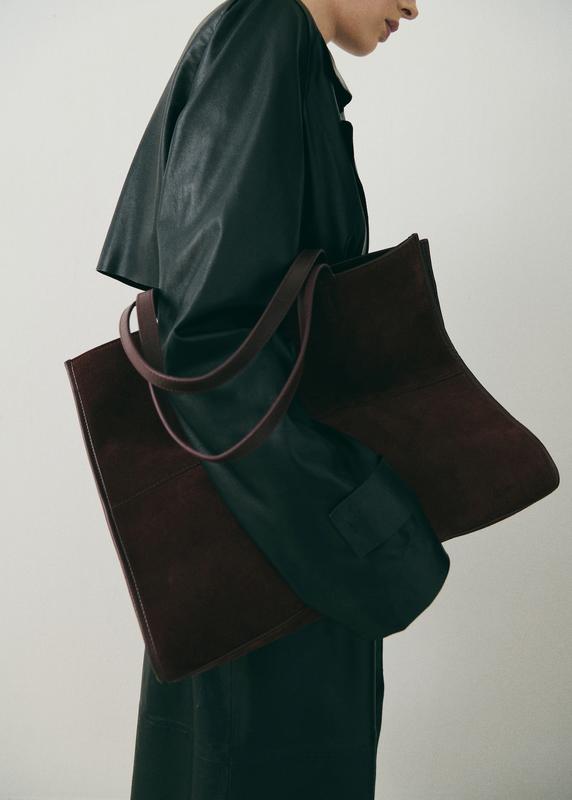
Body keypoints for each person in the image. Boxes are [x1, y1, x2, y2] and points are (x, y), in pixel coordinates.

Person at [96, 0, 449, 797]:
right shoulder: (265, 32)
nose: (416, 4)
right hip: (277, 557)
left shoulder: (281, 50)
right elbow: (210, 344)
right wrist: (365, 521)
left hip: (270, 544)